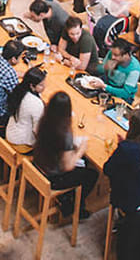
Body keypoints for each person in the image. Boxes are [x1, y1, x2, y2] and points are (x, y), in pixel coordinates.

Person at [31, 91, 97, 219]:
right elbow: (68, 166)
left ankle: (69, 199)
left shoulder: (44, 120)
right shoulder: (64, 133)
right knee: (92, 174)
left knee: (83, 164)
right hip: (53, 177)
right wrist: (80, 150)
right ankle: (71, 205)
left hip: (39, 163)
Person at [6, 66, 47, 148]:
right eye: (41, 85)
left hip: (11, 132)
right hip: (22, 142)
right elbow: (37, 131)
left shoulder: (19, 90)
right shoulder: (36, 103)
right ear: (32, 86)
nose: (44, 87)